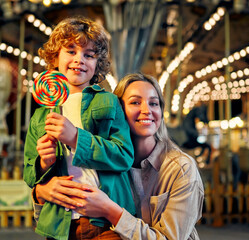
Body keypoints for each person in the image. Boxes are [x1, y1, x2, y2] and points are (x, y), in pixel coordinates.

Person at [34, 73, 204, 239]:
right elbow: (48, 218)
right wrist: (42, 192)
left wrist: (110, 210)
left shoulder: (180, 168)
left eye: (154, 103)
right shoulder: (103, 160)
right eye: (135, 102)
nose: (147, 110)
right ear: (117, 111)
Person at [23, 17, 136, 240]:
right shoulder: (40, 115)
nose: (79, 59)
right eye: (71, 51)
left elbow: (124, 156)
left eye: (89, 55)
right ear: (55, 57)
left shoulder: (108, 102)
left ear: (97, 64)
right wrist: (45, 162)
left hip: (105, 221)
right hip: (60, 223)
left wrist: (76, 138)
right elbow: (29, 173)